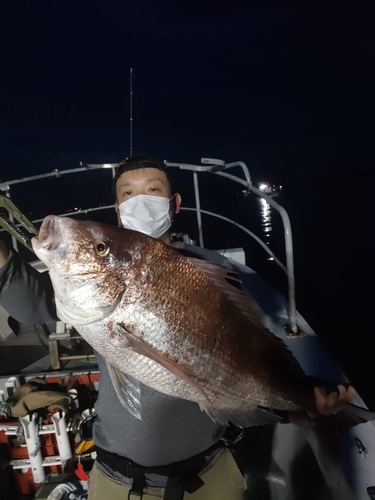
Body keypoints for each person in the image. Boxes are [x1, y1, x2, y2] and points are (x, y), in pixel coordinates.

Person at [0, 155, 356, 500]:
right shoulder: (86, 294)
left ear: (174, 203)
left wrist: (294, 402)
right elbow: (31, 305)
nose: (140, 200)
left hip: (211, 475)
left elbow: (244, 356)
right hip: (117, 479)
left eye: (153, 190)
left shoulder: (213, 270)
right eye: (128, 193)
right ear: (118, 209)